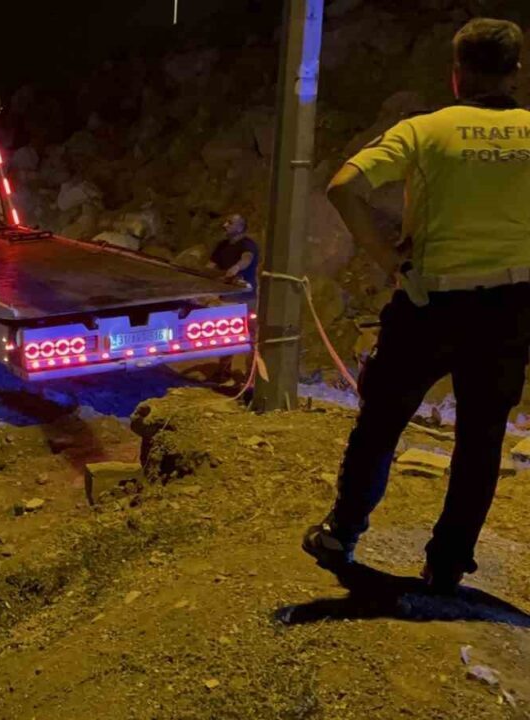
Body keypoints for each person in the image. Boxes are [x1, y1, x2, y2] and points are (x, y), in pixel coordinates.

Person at [303, 18, 530, 594]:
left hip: (430, 302)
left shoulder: (423, 131)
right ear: (515, 72)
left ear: (457, 74)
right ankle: (448, 564)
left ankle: (341, 534)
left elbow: (343, 187)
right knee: (481, 439)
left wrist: (390, 260)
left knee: (381, 423)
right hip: (510, 307)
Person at [207, 214, 260, 379]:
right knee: (226, 335)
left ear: (241, 227)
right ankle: (223, 371)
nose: (225, 225)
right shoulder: (222, 246)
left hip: (246, 298)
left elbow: (247, 258)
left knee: (250, 336)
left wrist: (236, 268)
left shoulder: (247, 245)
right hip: (227, 297)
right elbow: (211, 265)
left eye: (230, 223)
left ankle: (251, 375)